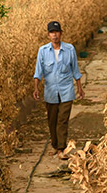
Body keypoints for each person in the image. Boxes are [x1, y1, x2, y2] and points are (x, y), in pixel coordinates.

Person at [32, 20, 83, 159]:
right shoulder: (43, 51)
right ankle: (55, 145)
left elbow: (75, 70)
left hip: (67, 90)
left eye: (57, 32)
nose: (54, 35)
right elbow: (38, 72)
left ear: (61, 33)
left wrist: (79, 88)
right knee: (52, 120)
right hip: (50, 92)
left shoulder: (69, 49)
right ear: (48, 35)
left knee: (62, 120)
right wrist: (36, 88)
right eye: (52, 32)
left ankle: (61, 148)